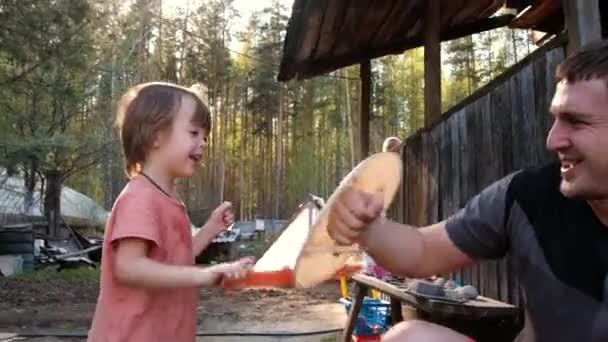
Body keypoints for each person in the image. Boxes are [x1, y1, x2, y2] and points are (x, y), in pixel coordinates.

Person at [327, 41, 608, 342]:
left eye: (576, 122)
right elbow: (423, 249)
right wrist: (368, 228)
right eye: (556, 119)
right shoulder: (526, 196)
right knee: (408, 337)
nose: (553, 141)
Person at [88, 82, 253, 342]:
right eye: (194, 132)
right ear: (156, 135)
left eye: (205, 136)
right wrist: (205, 274)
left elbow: (175, 261)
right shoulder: (139, 198)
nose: (204, 143)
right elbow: (129, 268)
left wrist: (210, 229)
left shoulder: (168, 199)